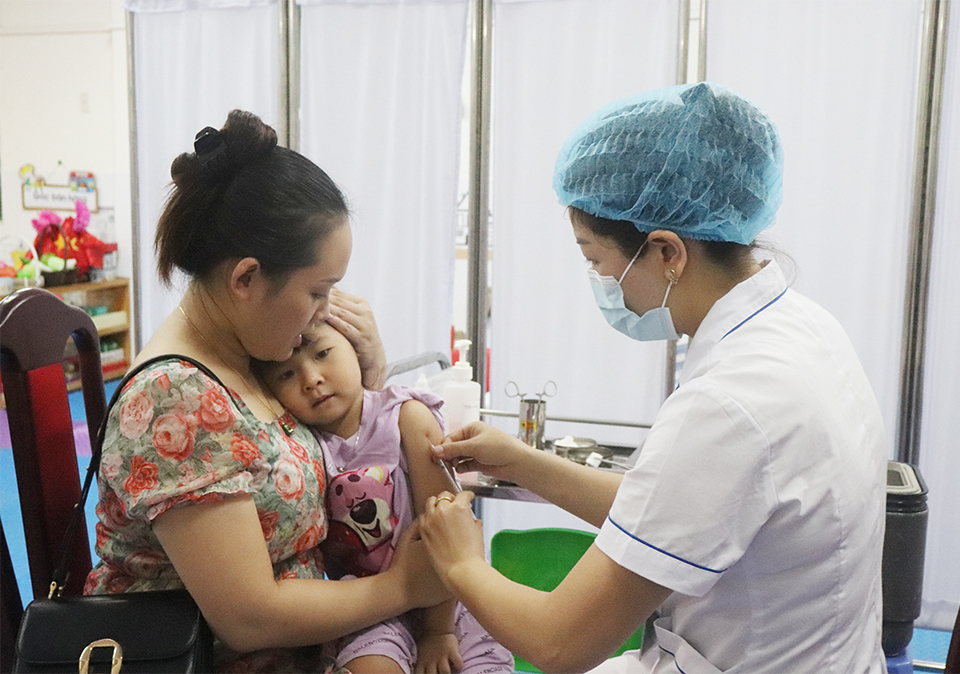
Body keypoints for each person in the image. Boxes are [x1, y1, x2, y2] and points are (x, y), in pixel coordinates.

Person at [420, 82, 887, 673]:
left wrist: (461, 564)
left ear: (667, 251)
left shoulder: (730, 403)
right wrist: (523, 464)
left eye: (595, 259)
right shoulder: (802, 327)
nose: (596, 280)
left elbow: (559, 644)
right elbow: (684, 507)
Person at [84, 110, 448, 672]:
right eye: (318, 291)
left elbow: (330, 452)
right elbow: (248, 618)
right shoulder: (175, 398)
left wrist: (370, 379)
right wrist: (405, 589)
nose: (326, 315)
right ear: (247, 279)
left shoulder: (249, 356)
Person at [255, 321, 513, 674]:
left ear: (357, 350)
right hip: (369, 605)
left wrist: (438, 631)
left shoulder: (405, 417)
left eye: (323, 353)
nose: (311, 378)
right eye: (286, 374)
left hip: (453, 601)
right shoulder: (300, 447)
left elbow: (447, 523)